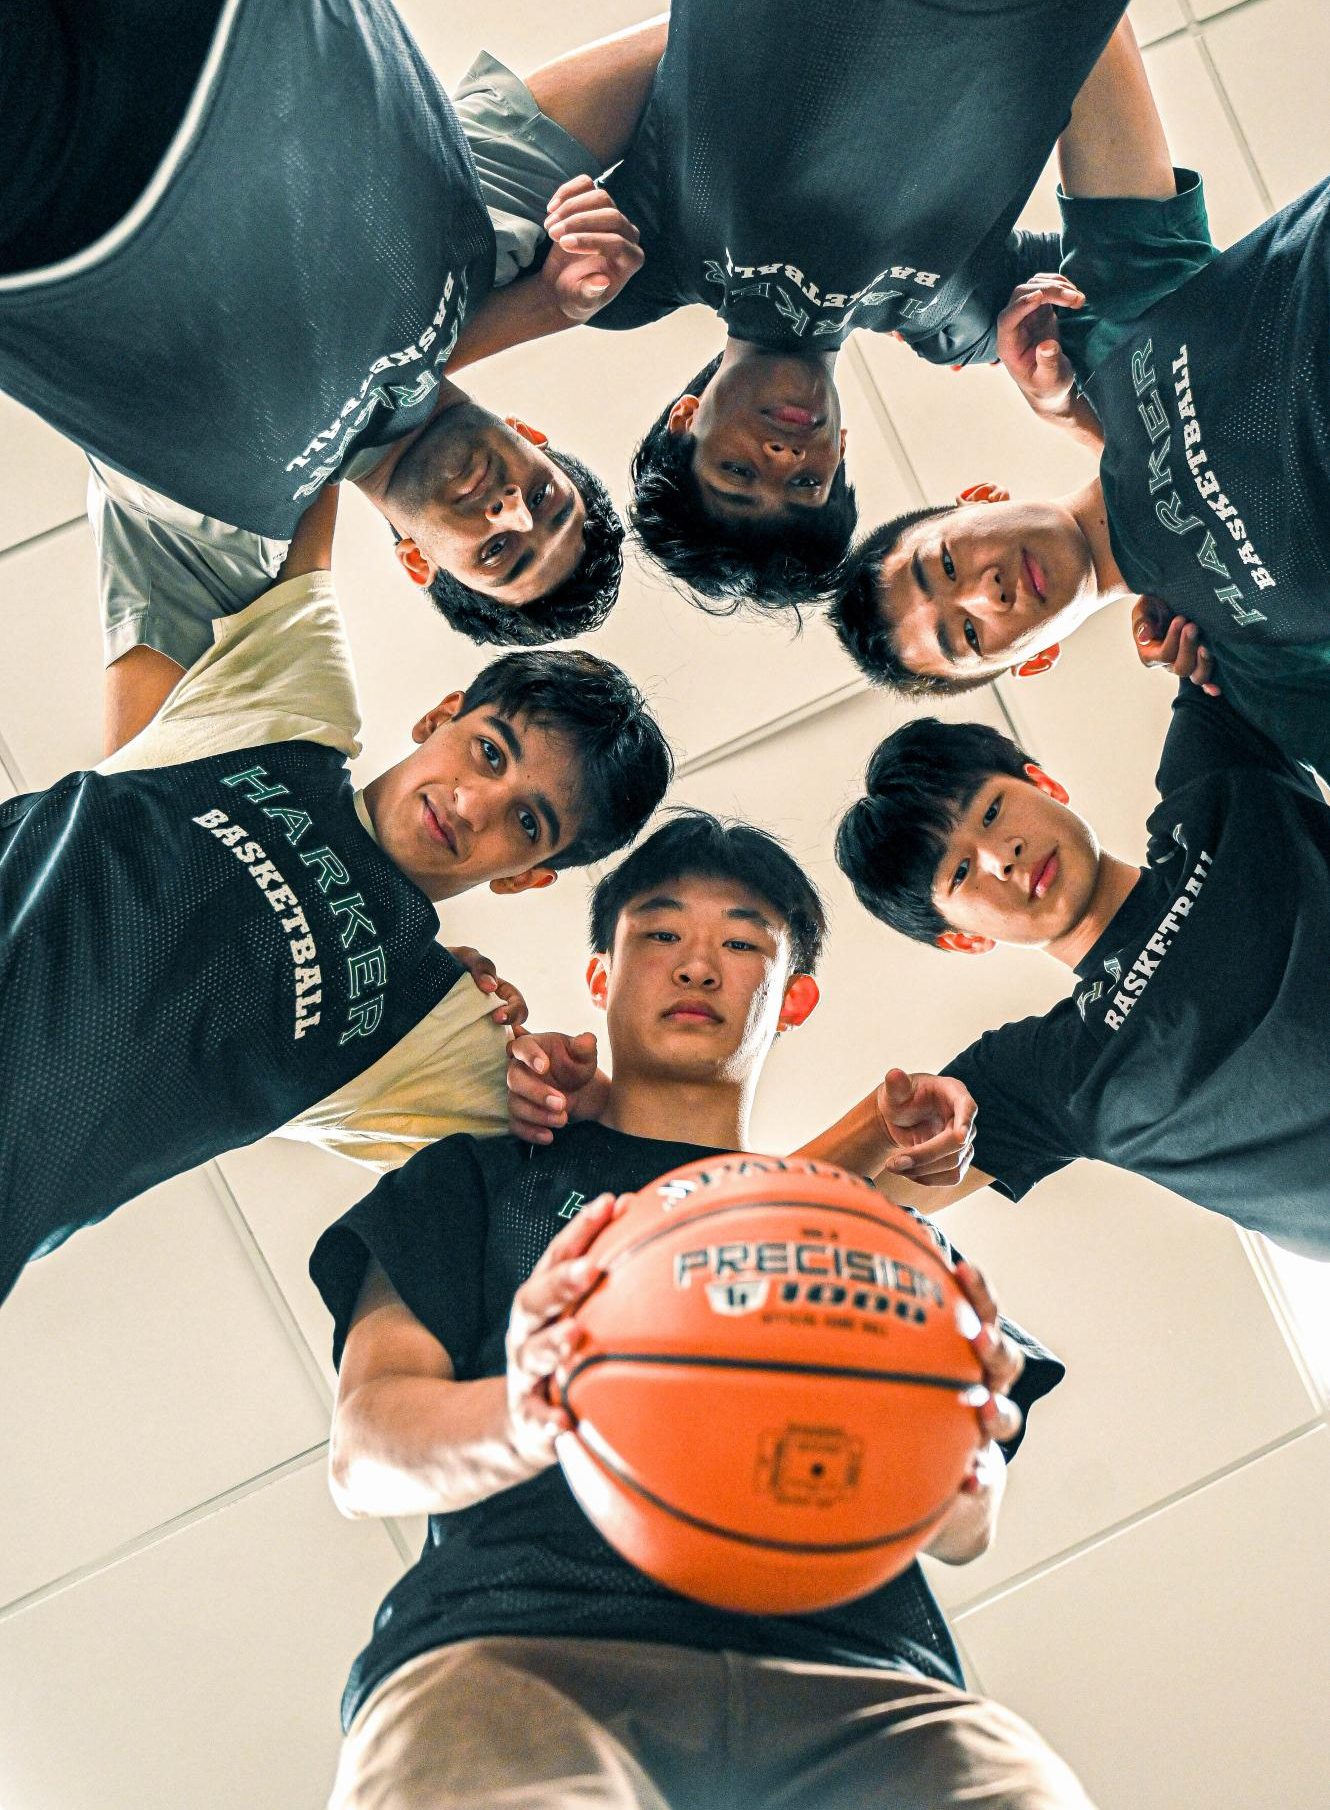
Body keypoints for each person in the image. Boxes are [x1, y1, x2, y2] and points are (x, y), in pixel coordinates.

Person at [309, 812, 1094, 1810]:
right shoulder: (478, 1180)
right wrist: (555, 1402)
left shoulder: (876, 1235)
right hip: (518, 1655)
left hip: (861, 1680)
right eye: (660, 934)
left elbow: (958, 1530)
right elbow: (365, 1454)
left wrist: (968, 1448)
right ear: (600, 974)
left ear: (793, 996)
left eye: (740, 942)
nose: (696, 966)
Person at [0, 487, 672, 1311]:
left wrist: (575, 1098)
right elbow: (293, 453)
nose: (472, 804)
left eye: (526, 821)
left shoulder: (431, 1026)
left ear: (528, 875)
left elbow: (629, 1191)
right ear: (440, 717)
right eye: (489, 752)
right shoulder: (290, 716)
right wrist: (416, 459)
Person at [0, 2, 639, 667]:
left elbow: (142, 769)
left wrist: (537, 313)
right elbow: (710, 43)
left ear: (417, 561)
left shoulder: (234, 521)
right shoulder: (492, 248)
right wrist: (546, 303)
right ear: (534, 439)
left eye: (499, 553)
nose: (511, 510)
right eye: (544, 498)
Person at [456, 0, 1129, 612]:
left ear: (687, 422)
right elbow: (1150, 261)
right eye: (806, 485)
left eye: (739, 473)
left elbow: (484, 164)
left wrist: (554, 276)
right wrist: (1063, 407)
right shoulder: (961, 324)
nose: (782, 456)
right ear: (838, 452)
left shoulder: (637, 276)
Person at [828, 20, 1330, 785]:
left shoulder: (1096, 338)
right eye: (967, 633)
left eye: (948, 563)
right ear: (1033, 663)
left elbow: (1091, 29)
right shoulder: (1246, 674)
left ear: (975, 497)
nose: (986, 593)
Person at [833, 691, 1330, 1260]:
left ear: (1044, 784)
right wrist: (880, 1121)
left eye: (992, 811)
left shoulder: (1220, 788)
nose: (1003, 857)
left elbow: (1238, 620)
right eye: (962, 871)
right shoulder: (1045, 1075)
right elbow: (813, 1215)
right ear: (963, 938)